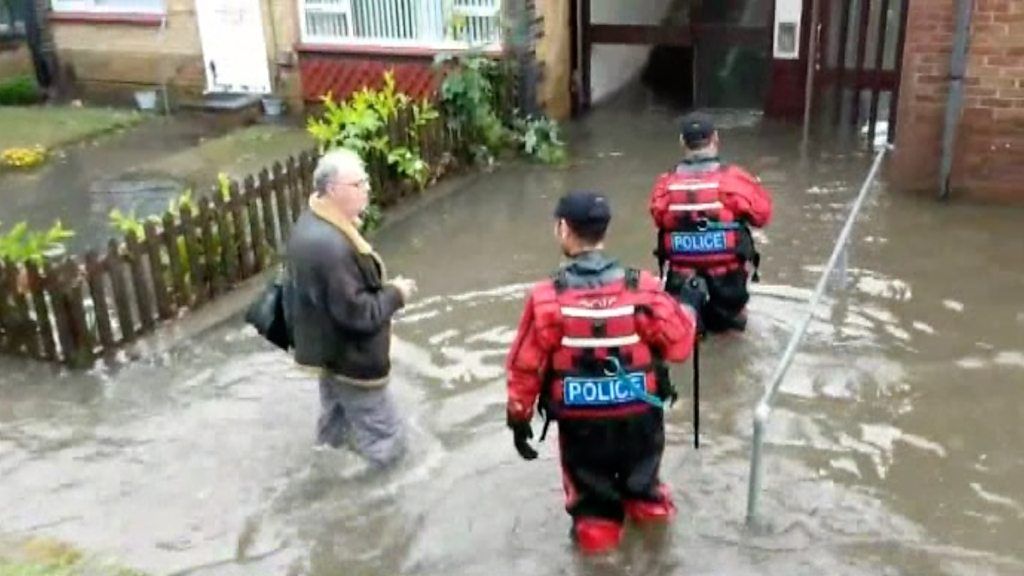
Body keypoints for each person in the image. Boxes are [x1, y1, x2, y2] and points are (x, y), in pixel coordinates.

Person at [504, 191, 697, 554]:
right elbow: (681, 346)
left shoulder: (546, 298)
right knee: (646, 491)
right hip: (640, 418)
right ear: (605, 231)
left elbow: (524, 366)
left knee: (593, 509)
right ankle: (659, 553)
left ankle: (601, 561)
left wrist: (519, 419)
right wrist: (689, 307)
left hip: (583, 427)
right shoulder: (644, 287)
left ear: (563, 229)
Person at [285, 148, 418, 468]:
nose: (367, 190)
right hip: (352, 361)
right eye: (359, 185)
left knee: (334, 428)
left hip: (326, 353)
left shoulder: (310, 223)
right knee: (389, 443)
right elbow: (358, 314)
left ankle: (325, 477)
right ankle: (376, 508)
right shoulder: (332, 248)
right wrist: (396, 293)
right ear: (333, 190)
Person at [649, 112, 773, 334]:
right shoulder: (735, 179)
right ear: (715, 138)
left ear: (682, 142)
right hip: (727, 282)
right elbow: (762, 216)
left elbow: (658, 217)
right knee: (734, 331)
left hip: (682, 280)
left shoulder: (665, 185)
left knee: (685, 335)